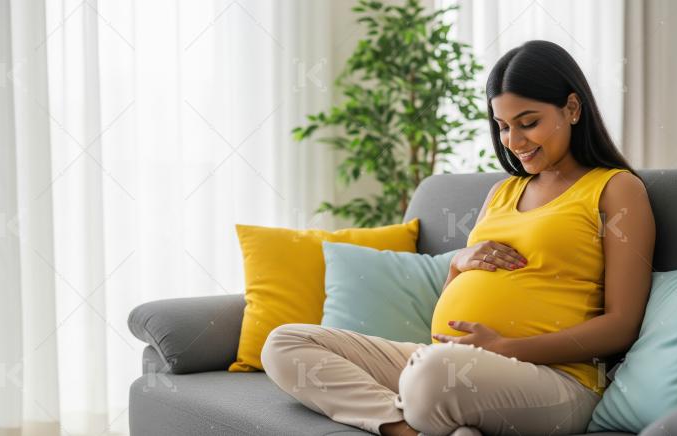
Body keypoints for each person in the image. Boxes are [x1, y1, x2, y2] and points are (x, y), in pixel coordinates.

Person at [260, 40, 656, 436]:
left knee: (431, 376)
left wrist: (505, 349)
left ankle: (429, 411)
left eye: (528, 122)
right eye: (502, 126)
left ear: (572, 108)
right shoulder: (502, 193)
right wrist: (457, 263)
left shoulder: (614, 189)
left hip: (555, 380)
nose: (513, 142)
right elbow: (456, 298)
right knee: (285, 343)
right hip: (450, 363)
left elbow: (621, 325)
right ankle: (406, 427)